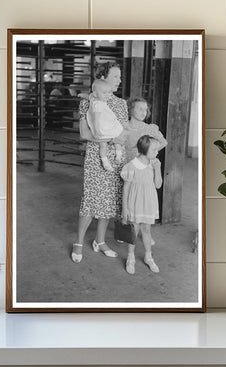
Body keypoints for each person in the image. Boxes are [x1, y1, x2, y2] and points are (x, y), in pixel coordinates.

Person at [71, 63, 128, 263]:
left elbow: (124, 133)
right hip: (96, 157)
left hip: (117, 159)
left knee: (109, 201)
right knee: (90, 200)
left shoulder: (121, 103)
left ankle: (100, 241)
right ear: (102, 77)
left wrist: (118, 141)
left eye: (120, 77)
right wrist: (110, 139)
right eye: (115, 76)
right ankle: (78, 242)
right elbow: (84, 134)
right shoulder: (88, 102)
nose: (119, 80)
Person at [120, 135, 163, 274]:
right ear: (144, 150)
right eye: (154, 149)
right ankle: (130, 257)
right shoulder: (131, 166)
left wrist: (158, 169)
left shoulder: (153, 164)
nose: (157, 152)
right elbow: (126, 188)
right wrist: (125, 208)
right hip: (135, 201)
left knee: (146, 230)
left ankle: (148, 257)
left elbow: (158, 185)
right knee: (134, 229)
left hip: (148, 201)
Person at [86, 79, 129, 172]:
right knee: (104, 144)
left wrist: (83, 95)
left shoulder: (94, 98)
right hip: (102, 127)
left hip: (107, 123)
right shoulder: (98, 105)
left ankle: (118, 155)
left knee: (117, 135)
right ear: (96, 94)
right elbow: (97, 119)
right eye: (104, 93)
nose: (107, 95)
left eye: (109, 93)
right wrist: (98, 130)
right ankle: (105, 161)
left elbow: (89, 96)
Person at [125, 97, 167, 163]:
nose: (144, 112)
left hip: (144, 166)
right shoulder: (123, 127)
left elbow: (164, 142)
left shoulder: (149, 128)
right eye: (140, 109)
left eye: (145, 110)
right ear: (131, 109)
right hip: (126, 165)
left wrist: (147, 153)